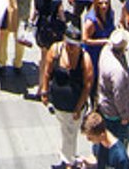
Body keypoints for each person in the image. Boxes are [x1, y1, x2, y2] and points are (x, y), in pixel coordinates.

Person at [39, 20, 95, 165]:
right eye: (69, 44)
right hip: (58, 102)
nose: (71, 48)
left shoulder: (85, 58)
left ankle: (67, 161)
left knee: (70, 133)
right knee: (66, 130)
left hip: (74, 105)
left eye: (74, 45)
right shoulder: (56, 50)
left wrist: (78, 108)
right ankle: (67, 155)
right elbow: (47, 71)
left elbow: (87, 86)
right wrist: (44, 91)